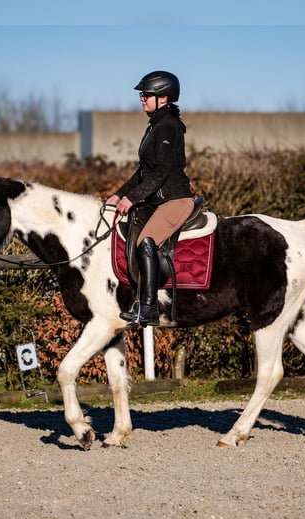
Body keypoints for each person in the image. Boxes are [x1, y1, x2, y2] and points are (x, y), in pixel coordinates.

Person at [106, 70, 195, 327]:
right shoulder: (156, 125)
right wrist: (119, 194)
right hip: (158, 200)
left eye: (146, 95)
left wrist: (132, 199)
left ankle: (149, 308)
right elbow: (142, 172)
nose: (142, 99)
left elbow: (161, 172)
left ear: (163, 98)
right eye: (142, 95)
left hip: (176, 201)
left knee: (146, 242)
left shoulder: (168, 126)